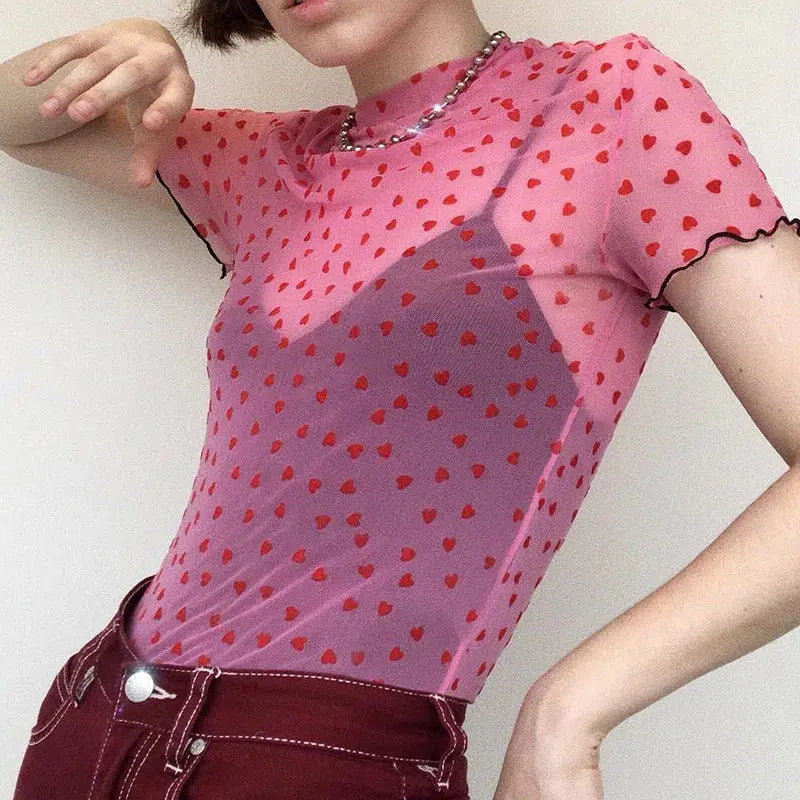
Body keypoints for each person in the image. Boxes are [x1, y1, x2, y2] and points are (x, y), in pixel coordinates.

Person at [4, 3, 800, 799]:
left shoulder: (607, 105)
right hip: (95, 718)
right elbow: (21, 125)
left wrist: (569, 709)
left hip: (320, 761)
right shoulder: (271, 162)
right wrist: (126, 47)